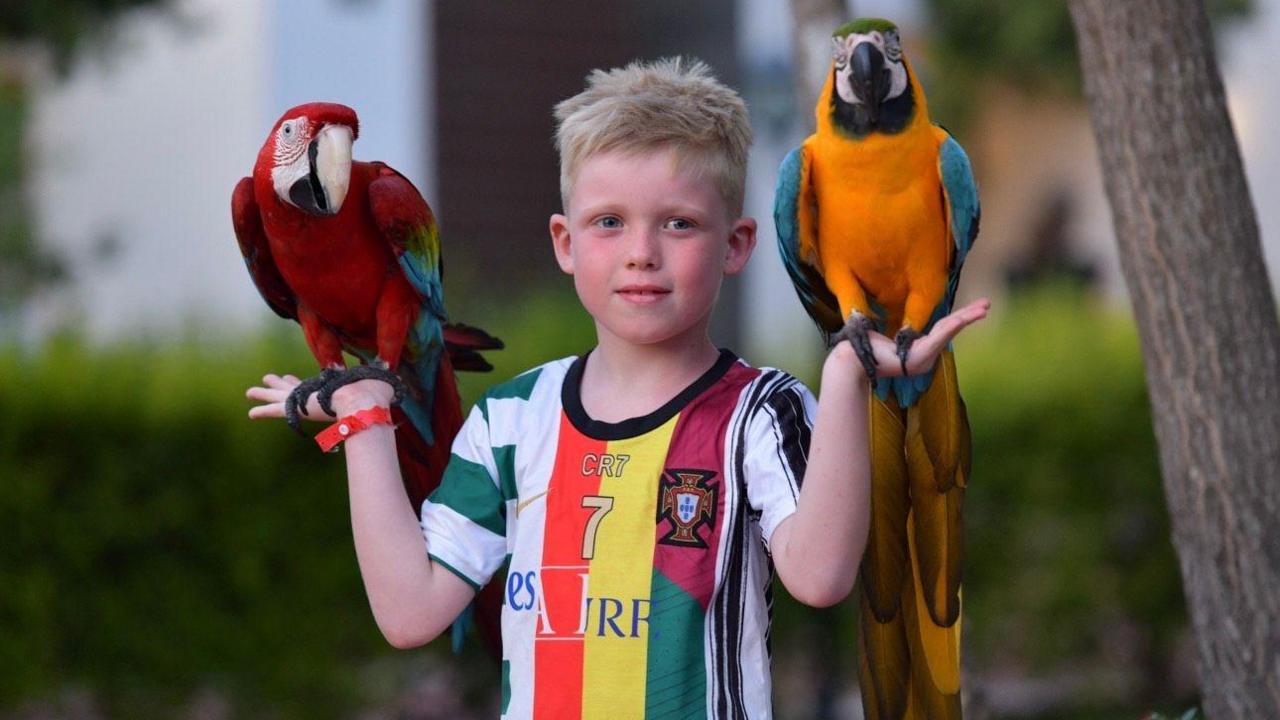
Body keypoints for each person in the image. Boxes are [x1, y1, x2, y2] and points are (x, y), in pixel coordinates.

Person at [246, 57, 988, 718]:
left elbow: (822, 577)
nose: (641, 253)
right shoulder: (512, 418)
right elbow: (410, 613)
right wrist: (366, 424)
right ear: (565, 245)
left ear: (736, 246)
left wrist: (847, 370)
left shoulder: (760, 412)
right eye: (609, 222)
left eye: (678, 223)